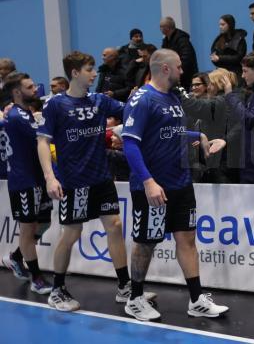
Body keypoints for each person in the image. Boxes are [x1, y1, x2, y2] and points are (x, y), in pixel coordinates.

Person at [121, 48, 228, 321]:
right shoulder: (142, 99)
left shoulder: (173, 97)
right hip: (154, 187)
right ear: (165, 68)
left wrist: (199, 135)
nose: (183, 71)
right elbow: (130, 143)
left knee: (187, 239)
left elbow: (171, 130)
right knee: (146, 243)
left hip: (181, 182)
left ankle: (196, 299)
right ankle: (134, 298)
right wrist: (148, 181)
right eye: (179, 66)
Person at [36, 51, 145, 312]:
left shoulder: (99, 101)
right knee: (72, 233)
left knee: (115, 225)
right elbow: (43, 141)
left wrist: (140, 96)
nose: (94, 73)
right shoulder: (56, 105)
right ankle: (57, 289)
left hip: (101, 178)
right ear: (75, 73)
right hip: (74, 182)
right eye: (89, 69)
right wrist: (50, 177)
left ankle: (124, 286)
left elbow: (130, 110)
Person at [0, 73, 54, 294]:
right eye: (30, 87)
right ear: (16, 92)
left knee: (43, 224)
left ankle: (15, 257)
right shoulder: (17, 116)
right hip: (24, 181)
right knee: (27, 228)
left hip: (36, 179)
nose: (35, 90)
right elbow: (43, 138)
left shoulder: (23, 113)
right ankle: (36, 278)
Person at [224, 52, 254, 184]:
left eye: (245, 71)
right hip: (250, 164)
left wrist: (229, 96)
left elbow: (249, 119)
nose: (242, 76)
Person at [160, 16, 199, 89]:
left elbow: (187, 58)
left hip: (186, 77)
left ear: (167, 27)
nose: (160, 29)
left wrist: (177, 72)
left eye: (161, 27)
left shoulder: (182, 39)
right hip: (174, 76)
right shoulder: (166, 41)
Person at [210, 14, 247, 80]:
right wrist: (214, 59)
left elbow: (239, 57)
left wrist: (220, 58)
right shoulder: (219, 39)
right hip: (221, 72)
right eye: (219, 25)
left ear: (230, 24)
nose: (220, 27)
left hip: (236, 73)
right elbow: (214, 54)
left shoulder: (240, 39)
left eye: (223, 24)